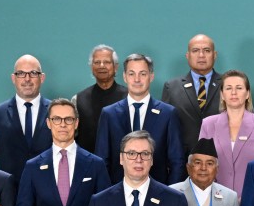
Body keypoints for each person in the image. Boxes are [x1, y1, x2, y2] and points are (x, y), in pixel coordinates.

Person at [95, 53, 186, 185]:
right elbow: (102, 161)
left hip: (158, 195)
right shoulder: (109, 114)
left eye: (142, 74)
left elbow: (177, 161)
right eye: (132, 74)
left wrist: (170, 195)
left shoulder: (168, 114)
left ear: (151, 76)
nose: (137, 79)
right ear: (125, 77)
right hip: (117, 195)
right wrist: (108, 196)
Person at [197, 69, 254, 194]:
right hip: (216, 197)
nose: (233, 92)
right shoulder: (208, 124)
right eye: (228, 88)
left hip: (252, 198)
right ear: (222, 95)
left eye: (239, 88)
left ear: (247, 94)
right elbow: (202, 165)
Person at [0, 55, 52, 181]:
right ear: (13, 78)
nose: (27, 79)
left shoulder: (56, 112)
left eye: (33, 73)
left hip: (49, 192)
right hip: (9, 193)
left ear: (42, 77)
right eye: (21, 73)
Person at [161, 33, 222, 154]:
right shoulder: (172, 87)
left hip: (221, 158)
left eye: (207, 50)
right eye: (195, 51)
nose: (201, 55)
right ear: (187, 56)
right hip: (182, 160)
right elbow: (164, 128)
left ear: (214, 55)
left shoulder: (228, 85)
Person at [74, 45, 128, 154]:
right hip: (88, 164)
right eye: (97, 62)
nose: (101, 66)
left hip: (123, 165)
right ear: (91, 67)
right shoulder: (78, 99)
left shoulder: (129, 97)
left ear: (116, 66)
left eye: (107, 62)